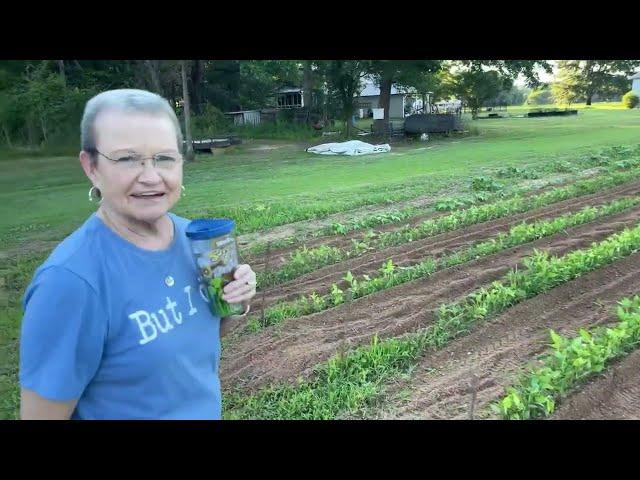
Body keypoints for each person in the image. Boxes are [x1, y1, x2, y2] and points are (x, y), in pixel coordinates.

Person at [18, 89, 257, 420]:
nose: (150, 176)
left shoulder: (194, 242)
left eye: (164, 158)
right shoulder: (70, 283)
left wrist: (233, 303)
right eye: (127, 158)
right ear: (91, 167)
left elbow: (191, 343)